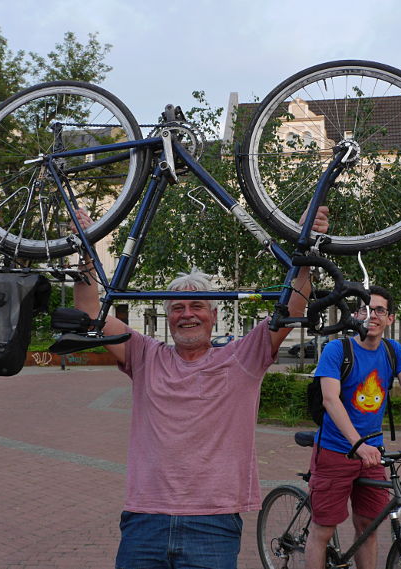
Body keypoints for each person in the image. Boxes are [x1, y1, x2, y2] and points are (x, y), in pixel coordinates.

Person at [72, 207, 329, 569]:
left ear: (214, 315)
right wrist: (86, 248)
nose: (187, 314)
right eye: (177, 307)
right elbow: (89, 312)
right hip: (146, 518)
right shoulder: (145, 355)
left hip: (213, 522)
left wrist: (307, 253)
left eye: (197, 306)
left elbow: (290, 307)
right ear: (167, 316)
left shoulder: (243, 357)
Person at [304, 285, 401, 569]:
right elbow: (330, 399)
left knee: (369, 526)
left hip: (372, 453)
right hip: (337, 450)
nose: (370, 315)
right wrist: (357, 444)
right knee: (323, 529)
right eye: (364, 309)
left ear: (390, 318)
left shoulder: (392, 350)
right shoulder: (337, 349)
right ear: (356, 314)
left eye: (378, 310)